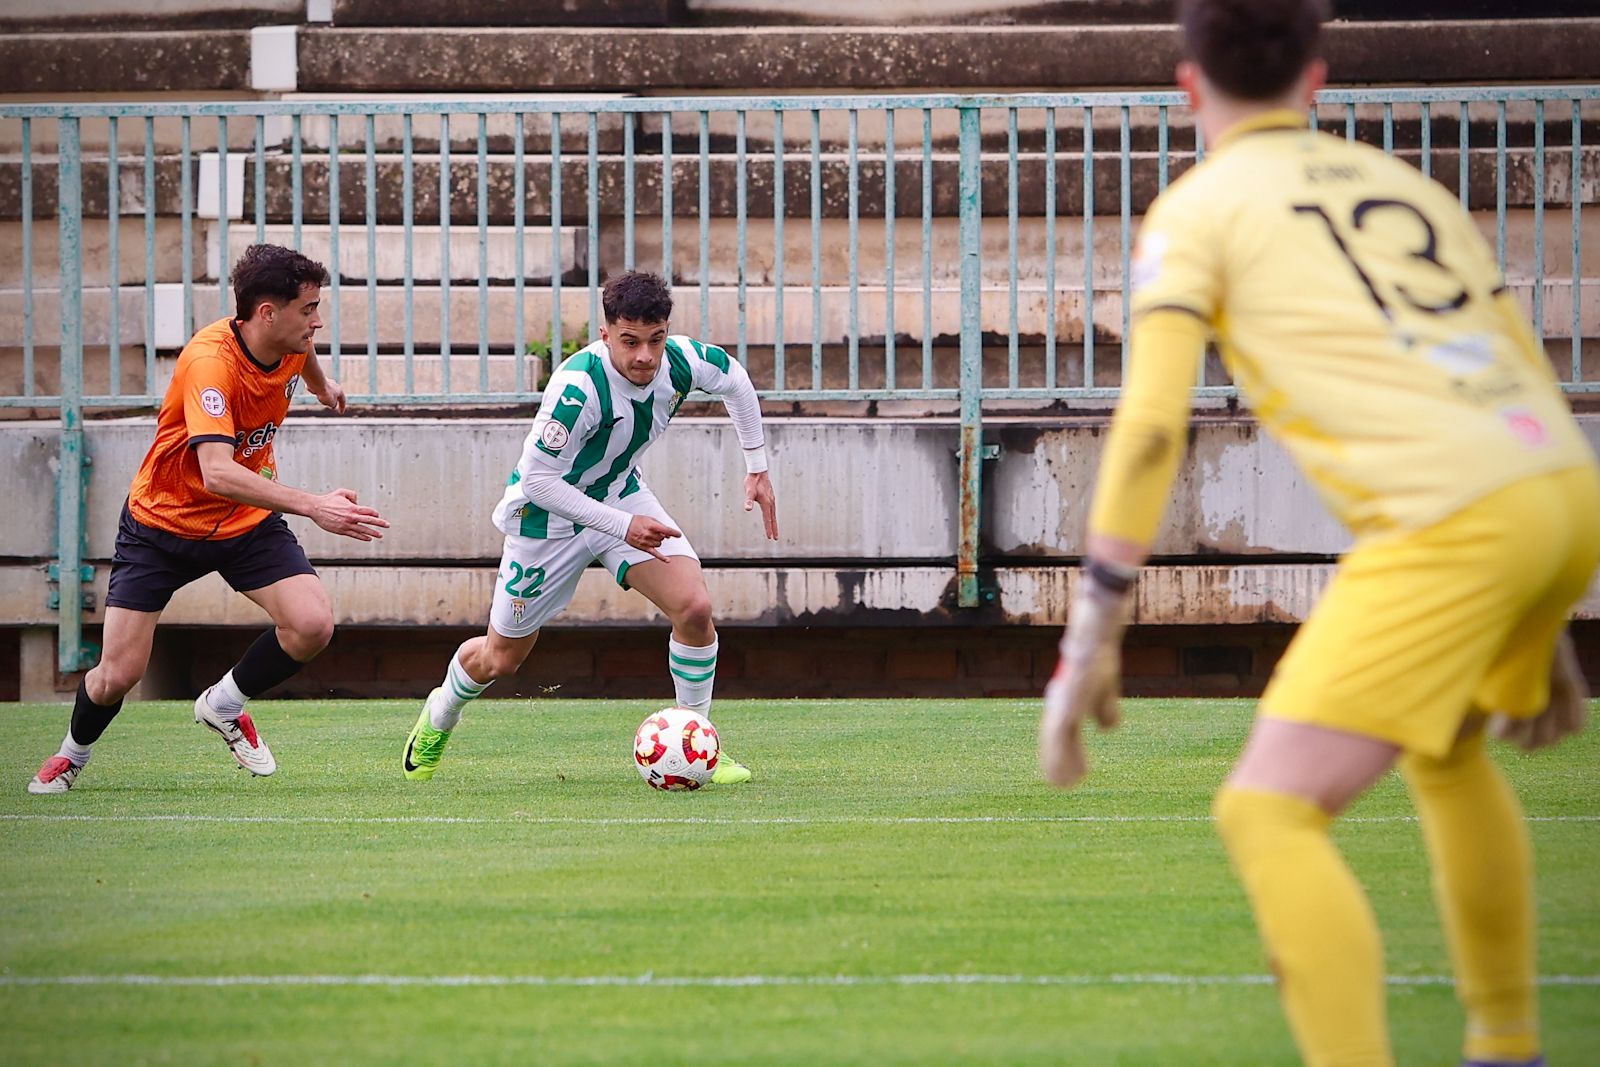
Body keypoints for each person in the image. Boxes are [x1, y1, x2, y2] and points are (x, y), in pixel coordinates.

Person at [1037, 2, 1599, 1065]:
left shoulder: (1197, 212)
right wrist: (1546, 586)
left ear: (1188, 89)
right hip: (1555, 485)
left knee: (1267, 811)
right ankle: (1507, 1041)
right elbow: (1514, 360)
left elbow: (1153, 423)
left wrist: (1092, 628)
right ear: (1318, 82)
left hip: (1451, 524)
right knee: (1446, 752)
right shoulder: (1404, 185)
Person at [28, 243, 389, 794]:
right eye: (309, 309)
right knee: (117, 676)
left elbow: (302, 355)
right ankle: (72, 753)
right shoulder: (210, 364)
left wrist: (321, 385)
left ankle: (224, 703)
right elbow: (217, 472)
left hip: (245, 521)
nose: (318, 321)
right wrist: (315, 505)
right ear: (267, 313)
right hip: (162, 527)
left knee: (312, 625)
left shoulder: (291, 340)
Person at [402, 270, 779, 784]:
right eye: (630, 342)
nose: (644, 356)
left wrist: (756, 465)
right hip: (547, 520)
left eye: (655, 340)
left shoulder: (682, 361)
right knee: (501, 658)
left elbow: (735, 379)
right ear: (605, 335)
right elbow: (538, 481)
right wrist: (622, 527)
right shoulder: (578, 388)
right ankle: (439, 715)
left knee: (694, 609)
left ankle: (696, 741)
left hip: (620, 495)